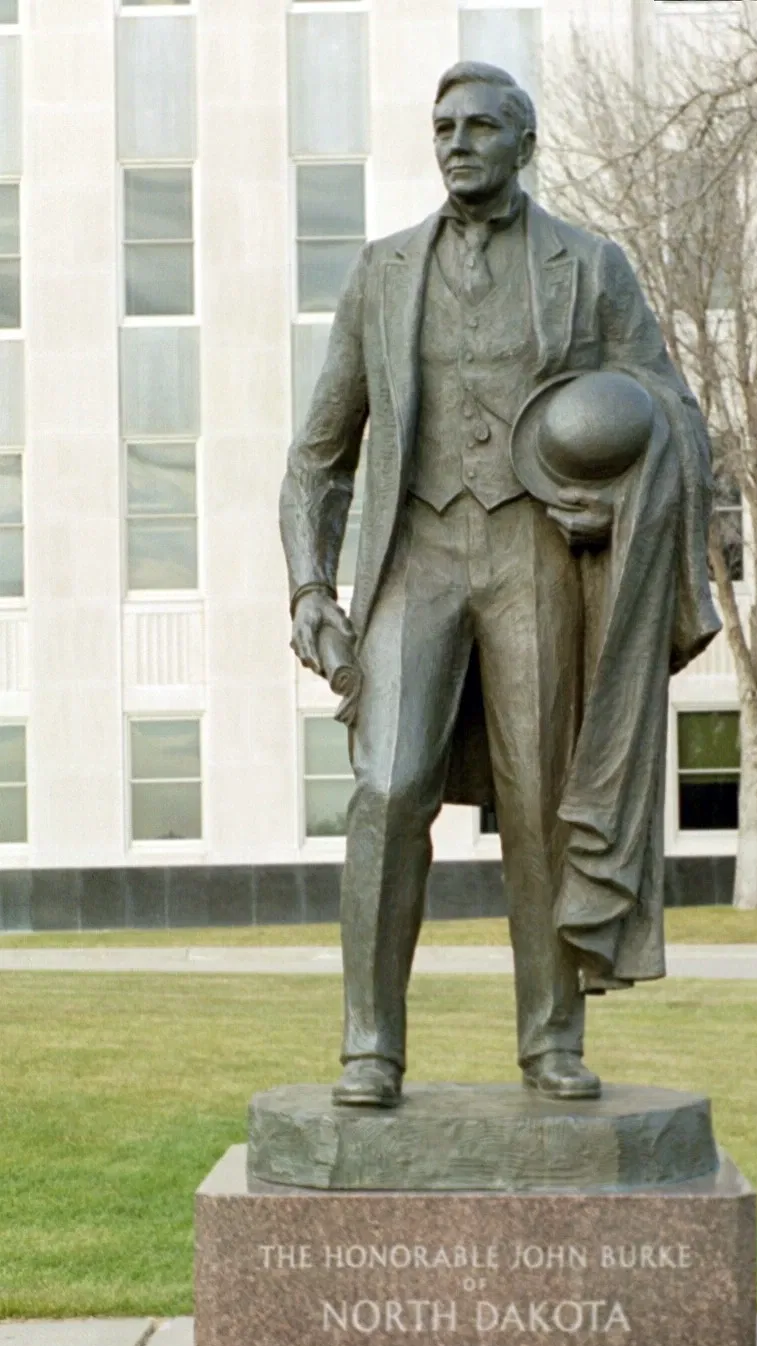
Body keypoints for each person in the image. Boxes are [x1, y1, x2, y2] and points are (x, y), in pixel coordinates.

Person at [280, 62, 719, 1108]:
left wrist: (619, 498)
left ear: (525, 143)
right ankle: (369, 1046)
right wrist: (308, 588)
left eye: (481, 126)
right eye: (443, 127)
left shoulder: (589, 266)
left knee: (540, 801)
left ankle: (550, 1041)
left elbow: (672, 411)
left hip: (535, 556)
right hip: (415, 560)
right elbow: (317, 458)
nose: (457, 142)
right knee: (387, 788)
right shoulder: (384, 271)